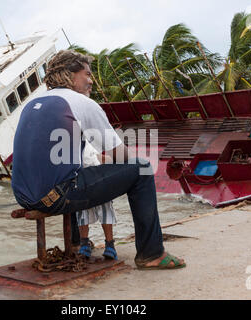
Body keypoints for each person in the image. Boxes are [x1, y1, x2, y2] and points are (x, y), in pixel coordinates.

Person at [11, 50, 185, 270]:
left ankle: (76, 242)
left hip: (23, 196)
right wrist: (119, 170)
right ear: (70, 75)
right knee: (141, 169)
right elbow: (122, 156)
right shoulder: (81, 103)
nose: (91, 81)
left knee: (70, 170)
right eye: (87, 74)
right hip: (57, 196)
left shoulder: (32, 104)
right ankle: (151, 253)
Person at [77, 141, 118, 260]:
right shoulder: (88, 144)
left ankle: (84, 244)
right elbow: (99, 159)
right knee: (104, 208)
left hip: (84, 179)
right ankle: (110, 245)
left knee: (82, 210)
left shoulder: (79, 145)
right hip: (97, 177)